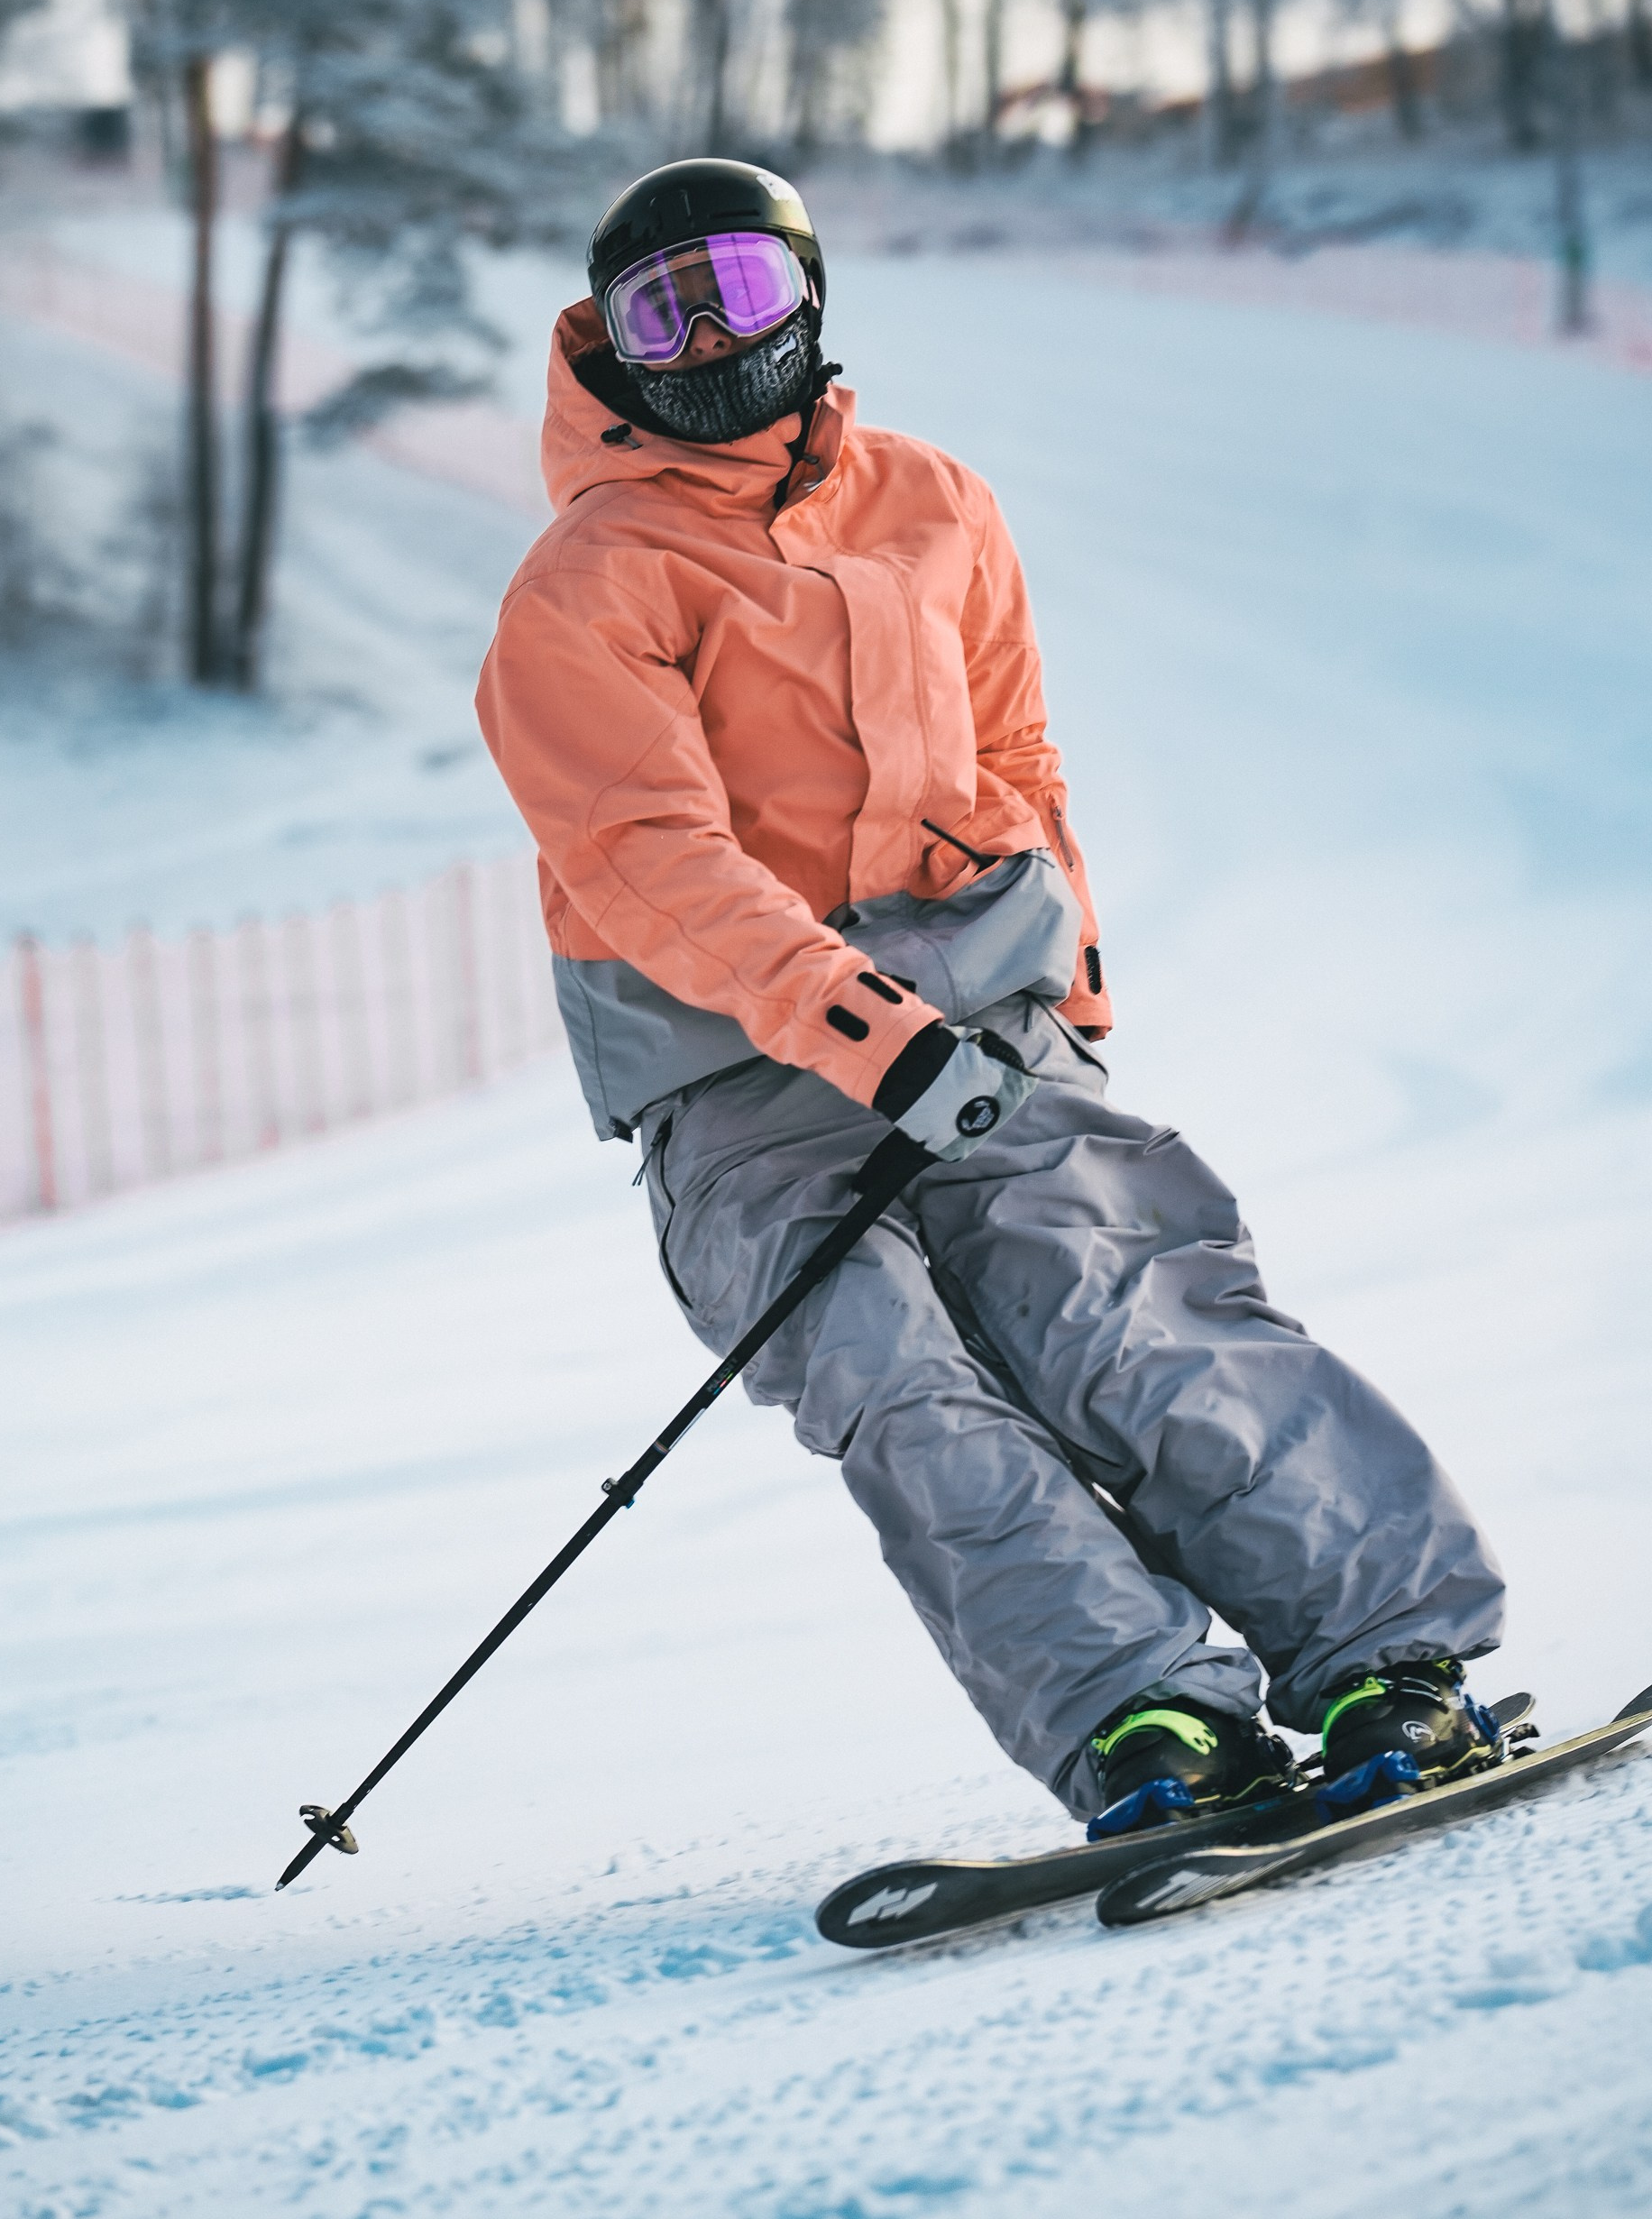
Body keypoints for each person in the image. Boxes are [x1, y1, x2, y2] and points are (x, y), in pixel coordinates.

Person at [475, 157, 1507, 1830]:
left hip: (984, 1015)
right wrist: (870, 1043)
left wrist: (1068, 989)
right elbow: (645, 858)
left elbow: (1015, 753)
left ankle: (1387, 1657)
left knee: (1123, 1304)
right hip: (736, 1072)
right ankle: (1143, 1719)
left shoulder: (933, 499)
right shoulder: (588, 584)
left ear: (805, 295)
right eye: (660, 313)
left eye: (735, 289)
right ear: (612, 348)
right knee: (899, 1381)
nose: (706, 338)